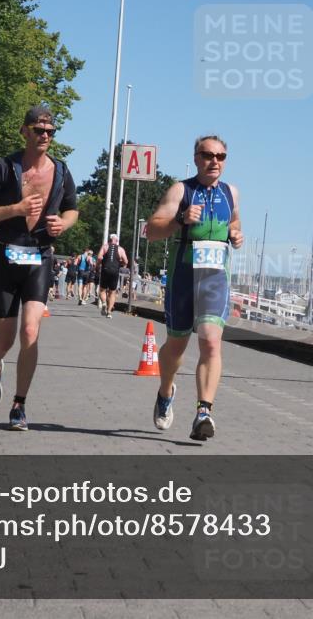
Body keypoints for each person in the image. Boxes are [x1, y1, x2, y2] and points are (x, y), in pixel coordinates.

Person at [0, 105, 78, 431]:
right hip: (6, 256)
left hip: (40, 258)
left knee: (31, 331)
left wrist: (63, 223)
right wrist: (15, 209)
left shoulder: (60, 170)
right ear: (25, 131)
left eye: (50, 131)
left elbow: (72, 209)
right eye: (39, 130)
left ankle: (19, 404)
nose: (45, 136)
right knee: (3, 342)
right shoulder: (5, 168)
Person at [145, 135, 243, 441]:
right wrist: (180, 219)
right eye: (208, 155)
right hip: (183, 276)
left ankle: (204, 411)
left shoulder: (231, 192)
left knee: (211, 342)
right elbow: (151, 230)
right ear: (197, 157)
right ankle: (166, 390)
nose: (215, 161)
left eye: (221, 156)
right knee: (176, 346)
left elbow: (235, 222)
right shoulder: (181, 190)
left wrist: (237, 235)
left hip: (215, 277)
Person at [96, 234, 128, 319]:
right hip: (115, 271)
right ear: (117, 240)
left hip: (105, 269)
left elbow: (99, 257)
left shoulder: (105, 246)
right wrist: (120, 263)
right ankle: (109, 312)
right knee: (112, 292)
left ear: (109, 240)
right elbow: (126, 261)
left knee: (102, 290)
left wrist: (97, 266)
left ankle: (103, 303)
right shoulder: (121, 249)